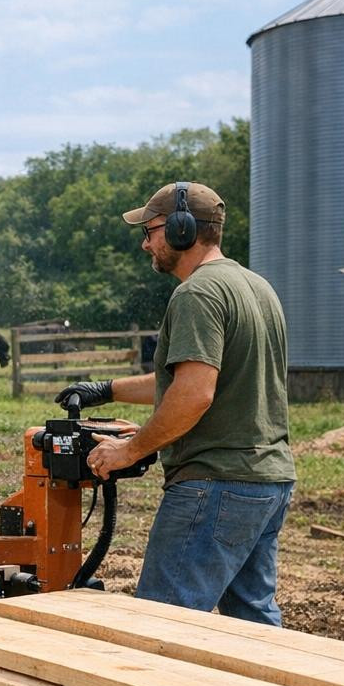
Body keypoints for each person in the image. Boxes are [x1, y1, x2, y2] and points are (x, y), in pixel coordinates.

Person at [57, 181, 295, 625]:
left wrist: (129, 450)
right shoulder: (256, 288)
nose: (146, 242)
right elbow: (185, 378)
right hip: (266, 481)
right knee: (253, 624)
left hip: (215, 483)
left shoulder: (197, 294)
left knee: (164, 624)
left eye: (151, 230)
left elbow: (193, 395)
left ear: (183, 229)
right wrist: (106, 389)